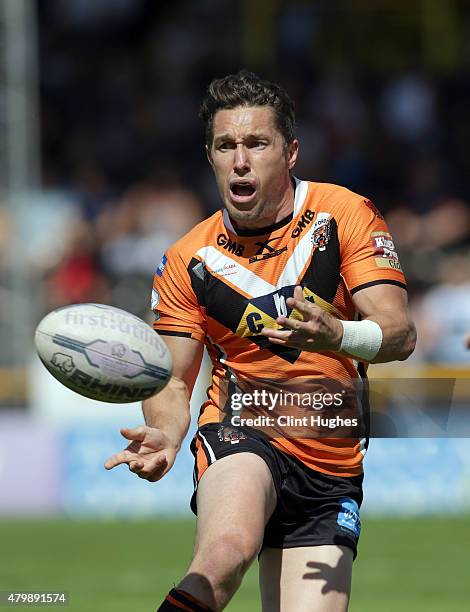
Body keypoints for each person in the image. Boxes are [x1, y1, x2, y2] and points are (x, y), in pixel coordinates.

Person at [104, 70, 416, 612]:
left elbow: (400, 334)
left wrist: (338, 334)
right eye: (226, 145)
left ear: (290, 152)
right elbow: (173, 380)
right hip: (241, 428)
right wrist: (167, 437)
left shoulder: (344, 214)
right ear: (211, 156)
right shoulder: (187, 259)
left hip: (332, 454)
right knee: (225, 553)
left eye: (256, 143)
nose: (240, 160)